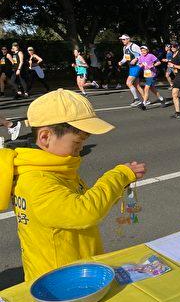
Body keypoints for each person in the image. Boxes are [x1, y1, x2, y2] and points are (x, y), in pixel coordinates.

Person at [0, 89, 146, 281]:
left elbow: (85, 199)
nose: (79, 150)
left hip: (72, 271)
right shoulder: (37, 180)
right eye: (77, 143)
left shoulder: (53, 168)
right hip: (61, 281)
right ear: (45, 137)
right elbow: (85, 212)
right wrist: (119, 175)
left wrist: (121, 184)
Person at [118, 34, 143, 106]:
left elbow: (142, 54)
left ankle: (136, 99)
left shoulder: (134, 46)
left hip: (137, 66)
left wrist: (136, 59)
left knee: (128, 83)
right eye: (122, 39)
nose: (122, 41)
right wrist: (121, 62)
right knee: (137, 85)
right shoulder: (124, 48)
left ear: (128, 39)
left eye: (124, 39)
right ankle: (146, 99)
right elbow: (125, 57)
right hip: (131, 67)